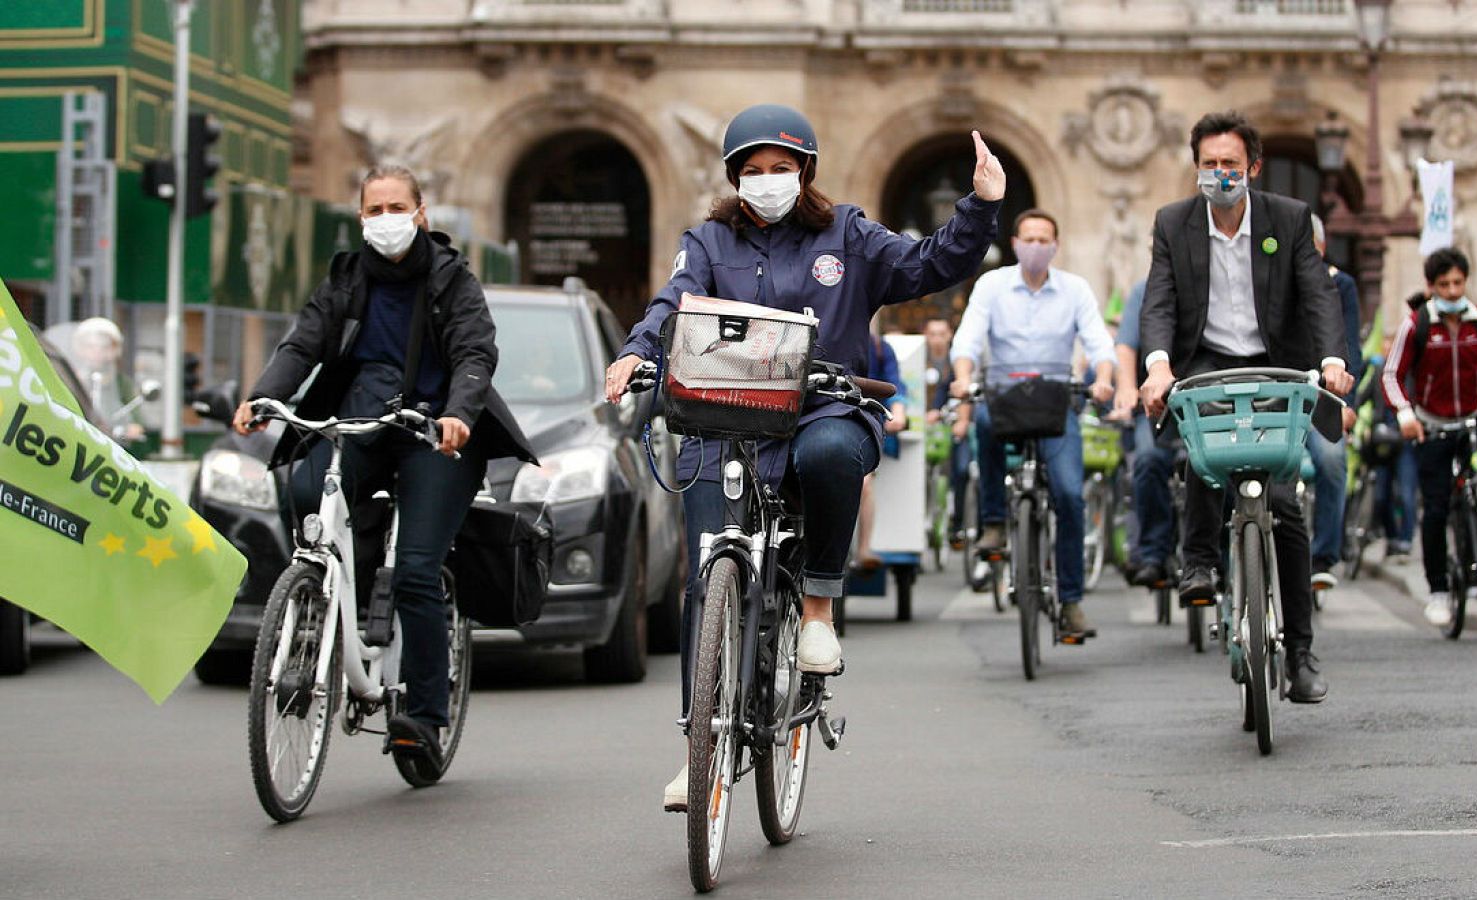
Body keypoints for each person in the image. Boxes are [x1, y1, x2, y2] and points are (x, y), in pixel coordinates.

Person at [602, 104, 1004, 811]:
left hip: (822, 407)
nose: (766, 182)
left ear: (805, 171)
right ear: (734, 178)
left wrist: (980, 206)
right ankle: (699, 751)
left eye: (780, 169)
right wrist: (637, 350)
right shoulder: (706, 241)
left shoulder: (846, 233)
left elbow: (929, 262)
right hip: (723, 421)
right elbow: (671, 302)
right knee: (707, 576)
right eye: (752, 171)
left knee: (828, 453)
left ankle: (817, 609)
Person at [233, 164, 536, 773]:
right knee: (298, 484)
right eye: (374, 210)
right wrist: (264, 397)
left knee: (419, 572)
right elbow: (303, 344)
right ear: (360, 218)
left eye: (397, 208)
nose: (386, 220)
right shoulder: (345, 279)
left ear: (421, 214)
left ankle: (422, 715)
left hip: (434, 434)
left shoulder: (452, 279)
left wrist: (457, 414)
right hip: (359, 425)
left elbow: (475, 351)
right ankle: (333, 587)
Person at [1138, 110, 1352, 704]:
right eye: (1209, 164)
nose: (1220, 174)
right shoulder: (1173, 223)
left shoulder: (1289, 218)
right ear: (1197, 168)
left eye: (1231, 164)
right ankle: (1199, 563)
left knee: (1284, 507)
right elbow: (1159, 300)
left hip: (1275, 364)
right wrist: (1158, 364)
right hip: (1206, 359)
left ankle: (1302, 655)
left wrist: (1332, 360)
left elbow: (1318, 296)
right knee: (1205, 452)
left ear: (1252, 167)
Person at [949, 208, 1116, 639]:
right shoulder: (992, 285)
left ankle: (1073, 602)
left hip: (1057, 401)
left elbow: (1098, 340)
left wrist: (1105, 380)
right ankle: (993, 522)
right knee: (982, 422)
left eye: (1045, 240)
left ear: (1055, 246)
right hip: (1004, 398)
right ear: (1016, 243)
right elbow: (968, 336)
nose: (1036, 247)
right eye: (1029, 239)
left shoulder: (1075, 289)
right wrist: (964, 377)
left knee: (1068, 494)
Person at [1379, 246, 1477, 627]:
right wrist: (1404, 414)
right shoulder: (1416, 324)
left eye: (1458, 283)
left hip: (1476, 415)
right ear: (1431, 286)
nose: (1452, 291)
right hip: (1432, 422)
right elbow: (1391, 375)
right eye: (1444, 284)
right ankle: (1438, 589)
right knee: (1434, 507)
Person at [1305, 213, 1363, 590]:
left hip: (1324, 393)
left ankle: (1323, 556)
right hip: (1278, 390)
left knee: (1331, 460)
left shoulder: (1339, 285)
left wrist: (1348, 402)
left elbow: (1350, 345)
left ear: (1320, 248)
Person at [1112, 279, 1180, 588]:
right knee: (1148, 460)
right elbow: (1125, 345)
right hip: (1154, 405)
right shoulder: (1142, 292)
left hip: (1204, 399)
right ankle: (1152, 553)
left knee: (1207, 465)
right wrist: (1126, 387)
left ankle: (1215, 551)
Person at [854, 321, 909, 570]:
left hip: (865, 422)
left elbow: (896, 385)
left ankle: (864, 547)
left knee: (864, 483)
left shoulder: (880, 348)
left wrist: (899, 410)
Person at [923, 316, 973, 544]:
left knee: (962, 470)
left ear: (950, 334)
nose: (937, 339)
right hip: (928, 426)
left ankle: (958, 522)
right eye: (932, 333)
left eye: (941, 333)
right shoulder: (921, 358)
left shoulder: (958, 361)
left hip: (957, 424)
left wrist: (962, 421)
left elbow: (964, 393)